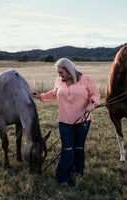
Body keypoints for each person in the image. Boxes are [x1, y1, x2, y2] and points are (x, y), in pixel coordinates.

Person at [31, 58, 100, 187]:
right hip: (64, 120)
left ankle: (78, 172)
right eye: (58, 73)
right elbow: (53, 94)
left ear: (69, 71)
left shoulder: (86, 79)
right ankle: (63, 178)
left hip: (83, 120)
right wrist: (40, 96)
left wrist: (92, 103)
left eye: (61, 72)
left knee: (79, 148)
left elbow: (95, 94)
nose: (59, 75)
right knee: (67, 149)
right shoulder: (59, 81)